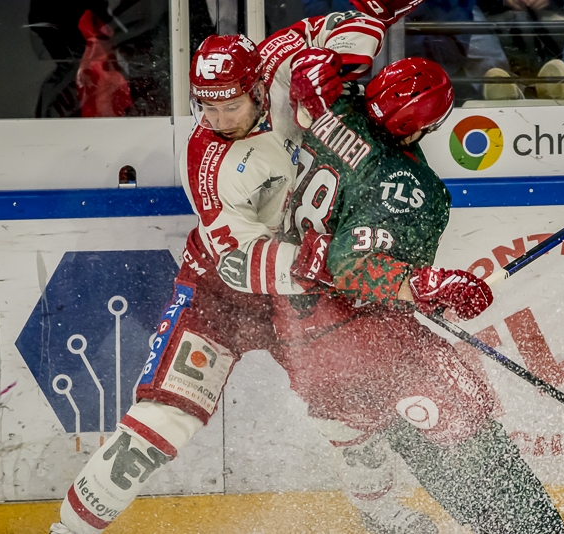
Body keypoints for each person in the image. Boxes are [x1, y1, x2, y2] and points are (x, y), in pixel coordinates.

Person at [48, 11, 396, 533]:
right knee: (161, 422)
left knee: (347, 410)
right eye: (206, 106)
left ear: (257, 88)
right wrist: (329, 266)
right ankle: (68, 531)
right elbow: (239, 262)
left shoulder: (275, 64)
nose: (218, 118)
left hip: (299, 297)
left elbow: (345, 22)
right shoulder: (207, 161)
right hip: (219, 295)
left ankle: (384, 515)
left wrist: (348, 52)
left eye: (230, 105)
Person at [275, 57, 564, 533]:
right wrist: (425, 284)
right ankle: (530, 530)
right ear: (423, 127)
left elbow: (306, 91)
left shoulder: (334, 109)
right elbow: (352, 263)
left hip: (300, 336)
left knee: (410, 425)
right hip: (364, 334)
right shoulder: (405, 184)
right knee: (462, 421)